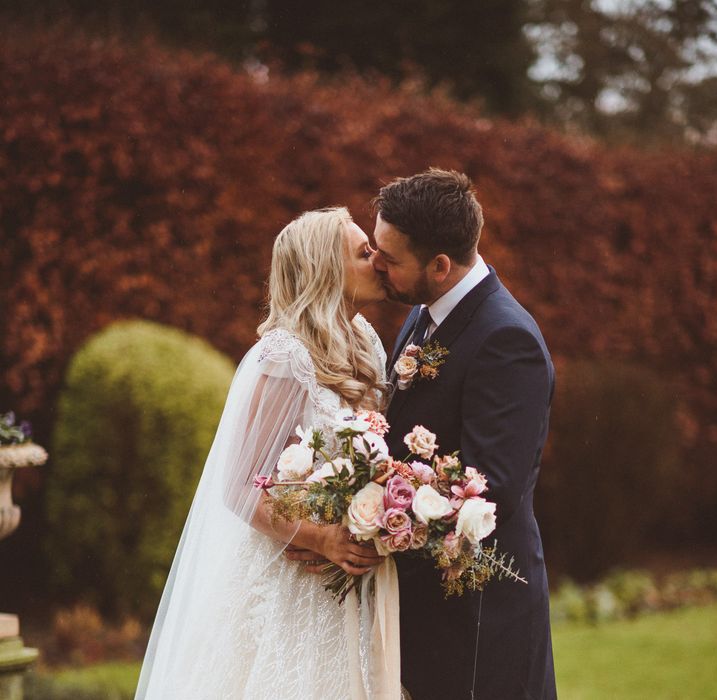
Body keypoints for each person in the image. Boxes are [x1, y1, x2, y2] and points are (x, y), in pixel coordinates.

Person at [135, 207, 397, 699]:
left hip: (356, 582)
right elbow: (237, 485)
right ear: (326, 269)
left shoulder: (367, 342)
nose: (378, 260)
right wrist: (322, 539)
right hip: (294, 578)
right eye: (364, 253)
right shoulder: (285, 356)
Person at [371, 169, 557, 699]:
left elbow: (488, 486)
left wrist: (370, 512)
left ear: (440, 265)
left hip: (479, 616)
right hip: (427, 605)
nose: (375, 262)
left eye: (389, 256)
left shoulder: (506, 339)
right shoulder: (424, 312)